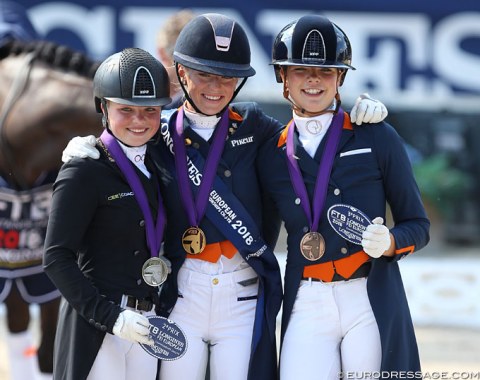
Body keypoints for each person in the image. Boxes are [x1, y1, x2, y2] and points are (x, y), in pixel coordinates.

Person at [61, 13, 389, 380]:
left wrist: (355, 118)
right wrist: (91, 145)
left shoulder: (258, 129)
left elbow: (311, 135)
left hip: (242, 294)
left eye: (227, 77)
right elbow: (124, 141)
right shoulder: (159, 132)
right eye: (204, 74)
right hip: (182, 293)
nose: (215, 87)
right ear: (181, 73)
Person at [257, 14, 430, 379]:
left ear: (340, 77)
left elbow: (418, 224)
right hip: (307, 298)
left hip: (366, 296)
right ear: (283, 78)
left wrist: (390, 242)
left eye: (327, 71)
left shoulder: (377, 137)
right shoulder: (272, 153)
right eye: (301, 69)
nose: (314, 79)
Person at [43, 47, 172, 380]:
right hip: (98, 326)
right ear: (103, 106)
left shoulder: (160, 162)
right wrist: (111, 317)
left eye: (150, 110)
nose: (139, 121)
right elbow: (56, 258)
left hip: (146, 323)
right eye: (125, 110)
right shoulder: (83, 170)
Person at [0, 3, 61, 380]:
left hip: (41, 227)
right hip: (9, 230)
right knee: (12, 299)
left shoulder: (51, 105)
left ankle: (39, 372)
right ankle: (21, 370)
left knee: (51, 291)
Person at [155, 8, 195, 107]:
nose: (191, 62)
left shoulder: (219, 102)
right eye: (180, 54)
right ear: (162, 53)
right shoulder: (142, 94)